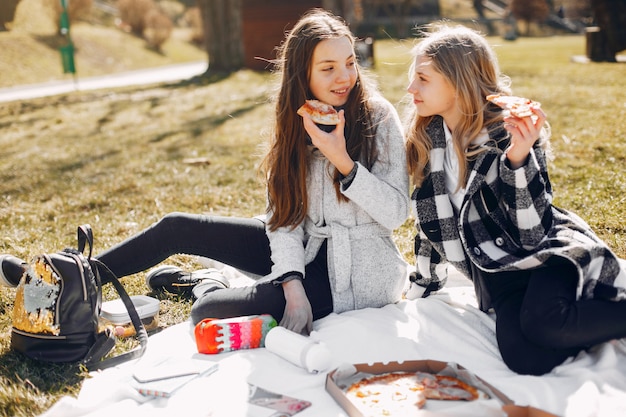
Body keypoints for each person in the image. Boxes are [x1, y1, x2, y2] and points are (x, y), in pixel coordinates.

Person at [1, 9, 411, 336]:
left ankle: (203, 282)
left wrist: (341, 159)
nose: (345, 77)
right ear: (301, 74)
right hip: (299, 248)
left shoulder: (376, 117)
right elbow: (283, 220)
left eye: (350, 62)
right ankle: (64, 279)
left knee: (207, 312)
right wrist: (291, 285)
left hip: (358, 275)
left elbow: (396, 214)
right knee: (176, 225)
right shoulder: (293, 122)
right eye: (328, 68)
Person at [404, 23, 626, 375]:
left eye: (423, 78)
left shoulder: (511, 132)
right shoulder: (427, 141)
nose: (410, 88)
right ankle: (580, 315)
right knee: (525, 359)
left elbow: (533, 234)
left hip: (545, 256)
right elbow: (429, 226)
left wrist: (518, 159)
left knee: (545, 324)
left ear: (459, 82)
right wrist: (423, 287)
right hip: (498, 275)